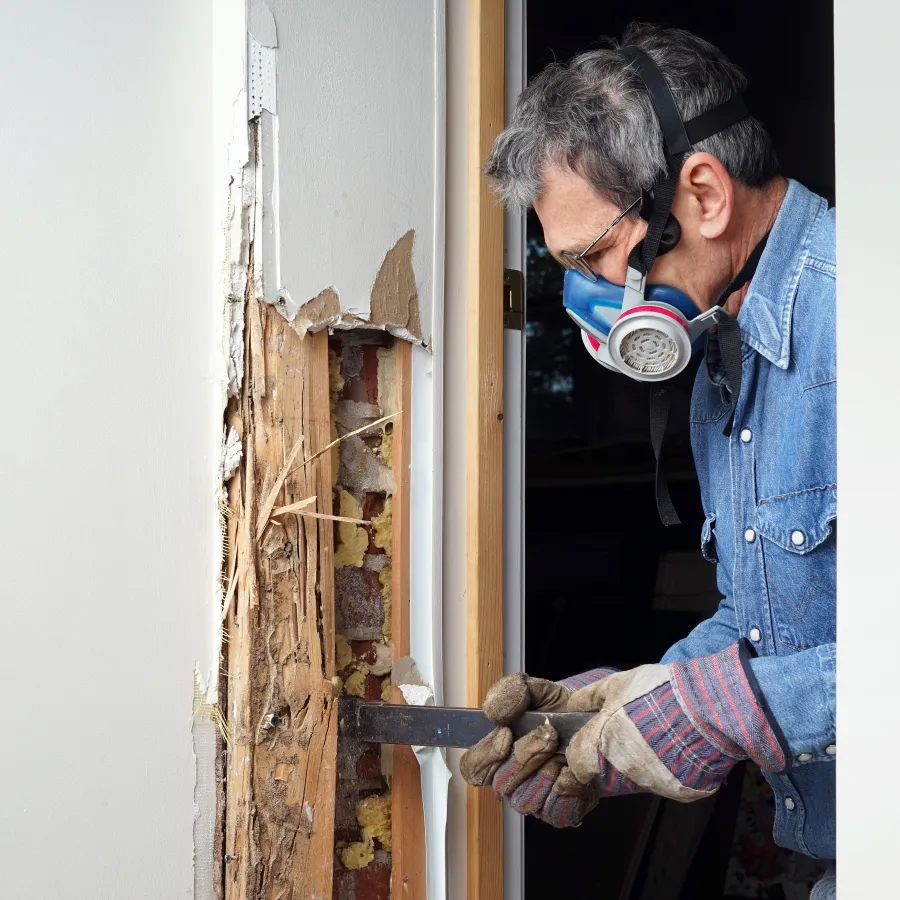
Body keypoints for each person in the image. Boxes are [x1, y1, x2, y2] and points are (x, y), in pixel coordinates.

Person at [460, 22, 836, 897]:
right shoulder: (721, 354)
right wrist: (629, 713)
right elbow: (771, 624)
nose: (588, 296)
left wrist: (718, 713)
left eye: (593, 255)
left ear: (701, 195)